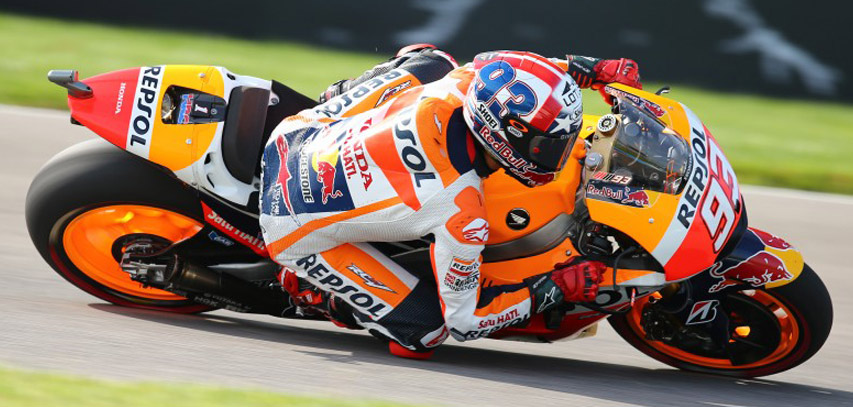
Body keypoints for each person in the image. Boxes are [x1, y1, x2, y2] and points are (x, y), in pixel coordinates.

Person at [258, 44, 642, 358]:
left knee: (434, 61)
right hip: (290, 223)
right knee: (425, 332)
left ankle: (339, 92)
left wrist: (592, 70)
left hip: (297, 132)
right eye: (546, 146)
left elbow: (520, 72)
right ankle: (315, 292)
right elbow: (466, 321)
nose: (558, 154)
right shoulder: (462, 211)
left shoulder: (467, 81)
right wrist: (555, 287)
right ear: (503, 138)